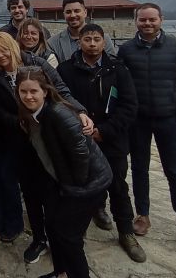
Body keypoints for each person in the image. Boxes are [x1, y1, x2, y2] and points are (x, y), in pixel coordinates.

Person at [0, 32, 88, 255]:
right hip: (21, 140)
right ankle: (39, 238)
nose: (0, 55)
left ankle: (62, 236)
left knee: (54, 189)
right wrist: (20, 122)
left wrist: (80, 111)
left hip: (49, 134)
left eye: (4, 49)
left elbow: (61, 89)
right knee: (30, 192)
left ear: (13, 46)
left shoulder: (37, 63)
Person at [15, 67, 112, 278]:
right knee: (53, 225)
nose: (28, 96)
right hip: (63, 180)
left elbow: (80, 154)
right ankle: (62, 272)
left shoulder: (58, 113)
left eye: (33, 91)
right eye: (23, 91)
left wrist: (73, 189)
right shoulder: (30, 114)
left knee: (68, 235)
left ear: (45, 91)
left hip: (87, 182)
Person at [57, 24, 146, 262]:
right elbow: (60, 103)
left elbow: (129, 106)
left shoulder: (118, 70)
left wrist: (103, 131)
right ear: (79, 42)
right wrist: (80, 130)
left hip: (112, 140)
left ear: (104, 42)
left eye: (97, 39)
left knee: (118, 186)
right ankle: (78, 233)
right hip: (79, 141)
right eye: (87, 39)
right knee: (80, 187)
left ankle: (126, 232)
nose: (92, 44)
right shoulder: (66, 70)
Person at [118, 3, 176, 254]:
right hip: (138, 121)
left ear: (161, 19)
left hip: (169, 120)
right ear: (136, 21)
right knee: (139, 169)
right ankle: (142, 214)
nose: (147, 24)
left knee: (175, 173)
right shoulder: (126, 50)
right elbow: (119, 84)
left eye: (152, 19)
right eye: (143, 20)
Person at [48, 0, 115, 62]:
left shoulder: (104, 39)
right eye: (68, 12)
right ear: (64, 15)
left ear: (85, 12)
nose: (73, 15)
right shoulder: (53, 43)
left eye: (77, 11)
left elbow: (112, 64)